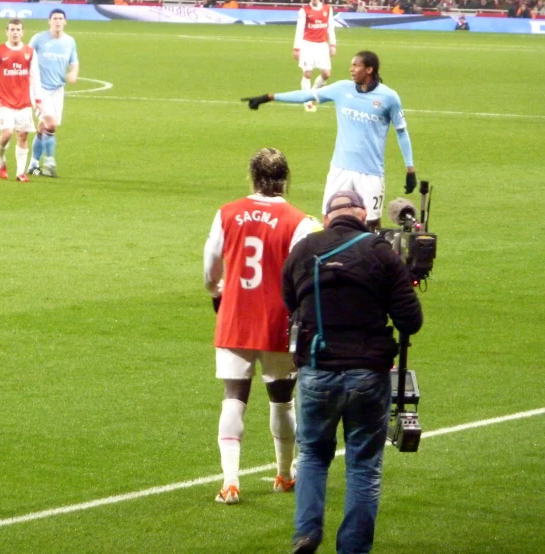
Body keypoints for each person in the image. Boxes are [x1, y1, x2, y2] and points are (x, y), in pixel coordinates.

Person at [282, 190, 423, 554]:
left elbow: (289, 302)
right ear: (363, 215)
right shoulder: (381, 253)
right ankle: (353, 549)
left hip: (317, 371)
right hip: (367, 374)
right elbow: (411, 320)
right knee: (363, 465)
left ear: (327, 217)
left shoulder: (304, 250)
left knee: (313, 454)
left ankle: (307, 533)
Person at [203, 148, 322, 505]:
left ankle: (230, 483)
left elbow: (211, 264)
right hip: (277, 322)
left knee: (234, 398)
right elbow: (304, 274)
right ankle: (284, 475)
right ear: (285, 179)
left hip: (235, 316)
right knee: (282, 401)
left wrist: (216, 292)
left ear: (252, 177)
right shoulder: (299, 221)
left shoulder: (227, 213)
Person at [241, 51, 417, 231]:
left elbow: (401, 132)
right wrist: (269, 97)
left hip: (370, 172)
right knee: (329, 219)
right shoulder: (342, 88)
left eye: (356, 65)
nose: (351, 69)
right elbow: (307, 95)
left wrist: (410, 169)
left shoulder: (389, 97)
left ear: (369, 69)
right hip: (340, 168)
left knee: (371, 224)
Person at [0, 19, 43, 182]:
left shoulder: (30, 52)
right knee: (7, 133)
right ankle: (0, 159)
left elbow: (35, 77)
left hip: (24, 102)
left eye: (18, 29)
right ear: (7, 32)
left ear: (22, 32)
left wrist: (38, 100)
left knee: (23, 136)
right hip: (4, 102)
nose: (15, 32)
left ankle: (20, 173)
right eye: (12, 29)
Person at [26, 9, 80, 178]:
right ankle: (50, 162)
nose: (57, 21)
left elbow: (74, 62)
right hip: (39, 89)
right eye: (55, 18)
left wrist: (73, 73)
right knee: (51, 124)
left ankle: (33, 165)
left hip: (58, 90)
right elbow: (24, 58)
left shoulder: (70, 42)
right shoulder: (38, 39)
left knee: (43, 128)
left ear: (65, 22)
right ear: (49, 21)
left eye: (60, 18)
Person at [293, 1, 337, 112]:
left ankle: (312, 91)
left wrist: (333, 44)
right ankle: (307, 102)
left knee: (326, 74)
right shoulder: (304, 11)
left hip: (322, 46)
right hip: (307, 45)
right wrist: (296, 48)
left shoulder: (328, 9)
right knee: (307, 73)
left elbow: (331, 28)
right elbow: (299, 30)